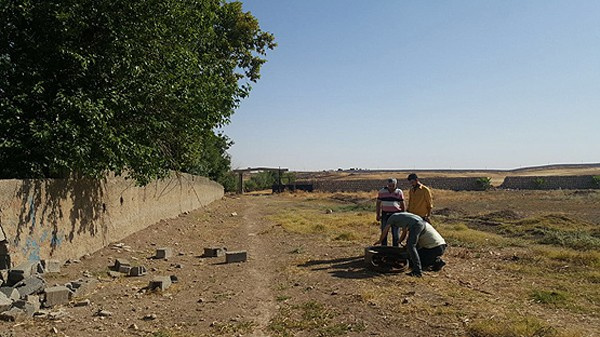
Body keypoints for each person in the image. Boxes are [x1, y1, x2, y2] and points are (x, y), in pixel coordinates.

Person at [374, 212, 447, 277]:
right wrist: (400, 241)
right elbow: (404, 231)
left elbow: (385, 230)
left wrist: (380, 240)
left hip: (433, 247)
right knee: (413, 258)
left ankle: (417, 271)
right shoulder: (403, 217)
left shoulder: (391, 218)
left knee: (411, 246)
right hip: (440, 247)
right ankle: (437, 262)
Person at [375, 178, 405, 246]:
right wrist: (378, 214)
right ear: (387, 185)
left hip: (396, 214)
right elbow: (378, 203)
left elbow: (402, 204)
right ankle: (384, 248)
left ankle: (395, 248)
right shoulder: (382, 191)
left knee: (395, 233)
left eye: (393, 185)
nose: (391, 187)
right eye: (389, 185)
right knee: (384, 231)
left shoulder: (399, 192)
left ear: (396, 185)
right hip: (385, 214)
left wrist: (403, 215)